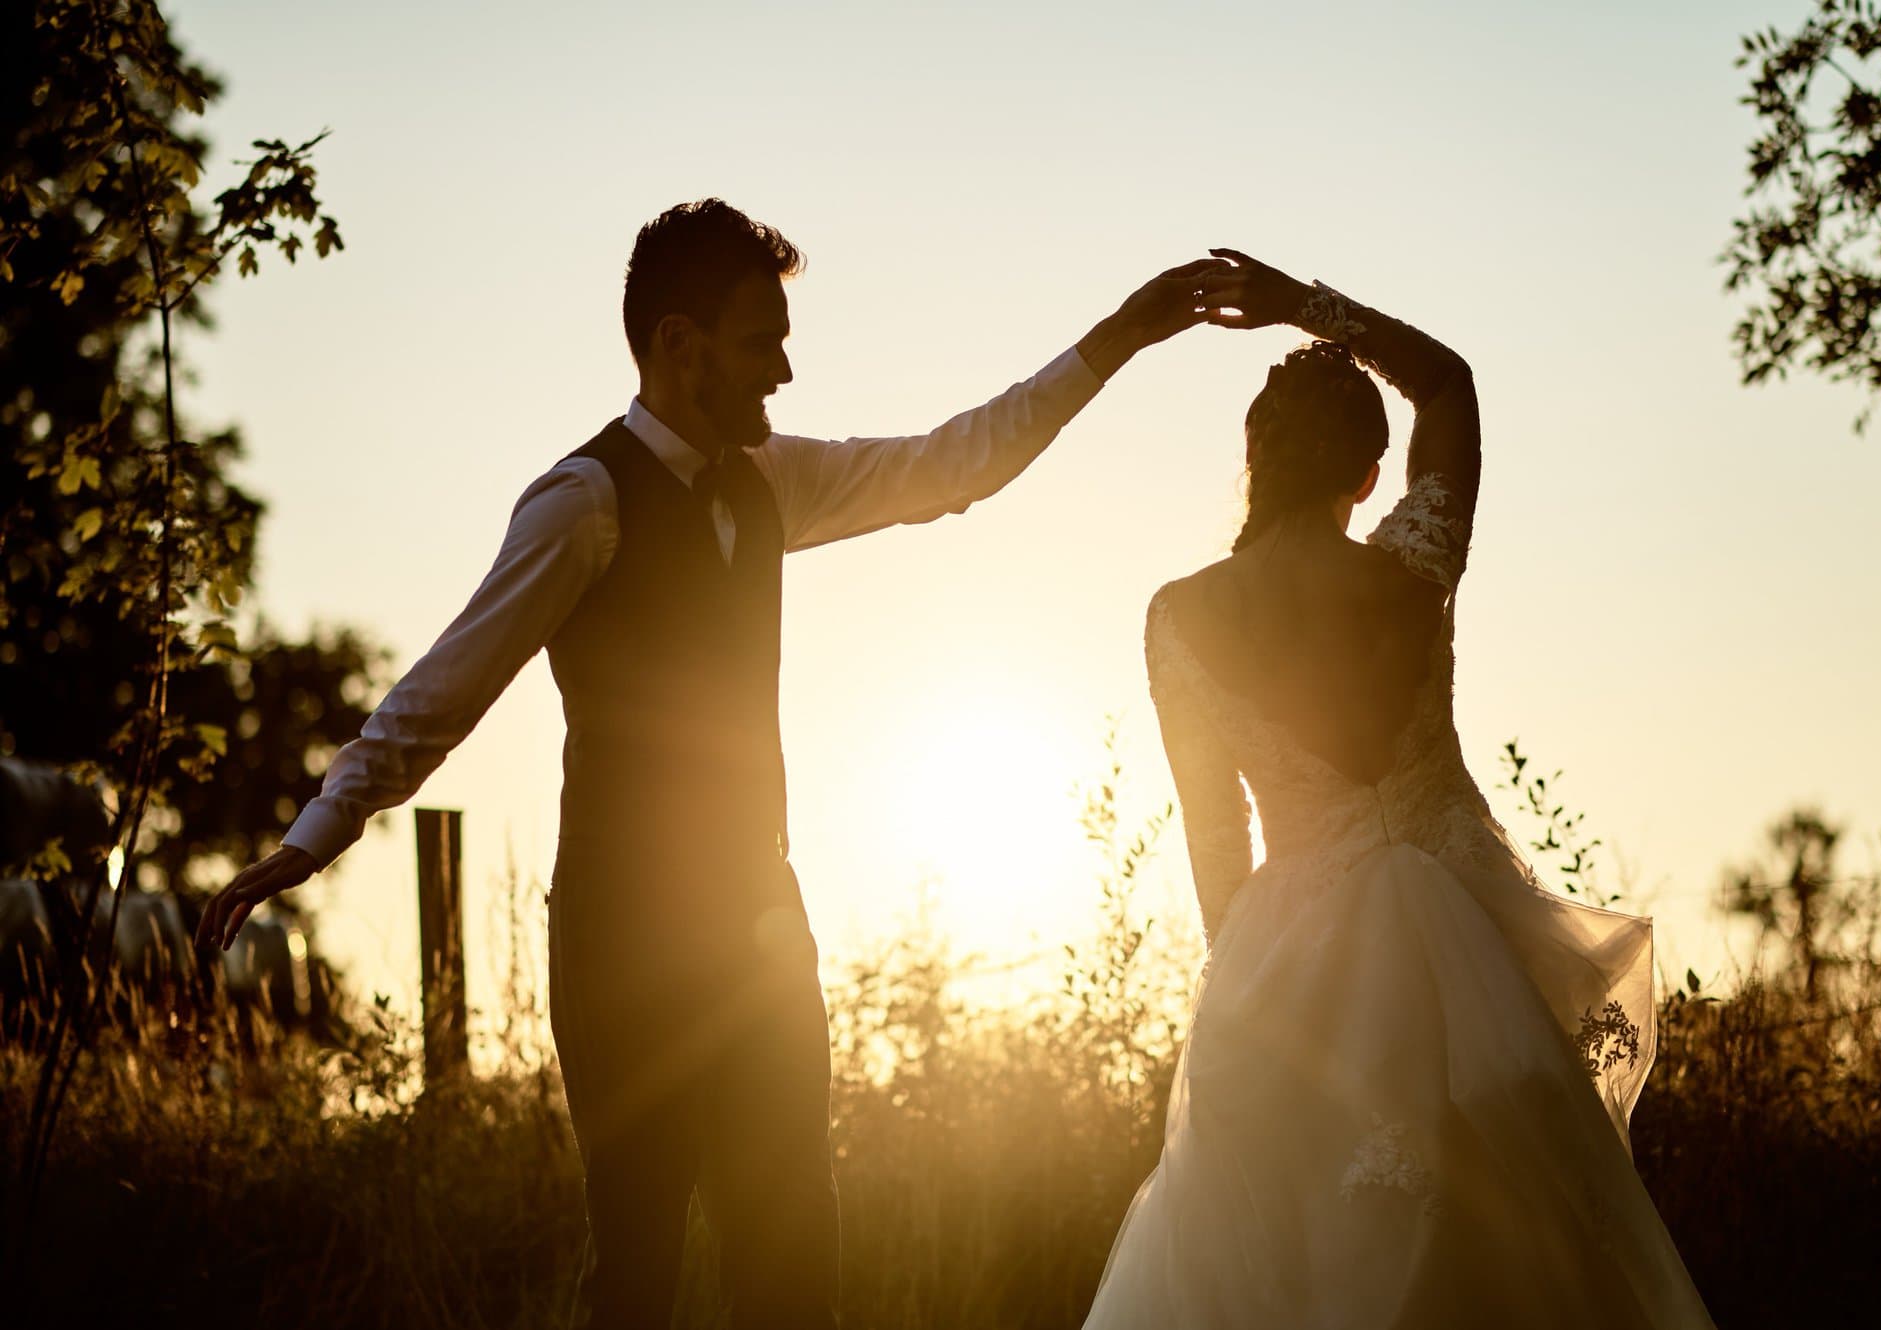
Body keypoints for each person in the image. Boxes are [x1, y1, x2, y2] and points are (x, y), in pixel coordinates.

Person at [195, 198, 1222, 1330]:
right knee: (636, 1267)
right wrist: (312, 838)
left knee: (792, 1258)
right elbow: (443, 690)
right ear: (678, 345)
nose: (784, 368)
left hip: (758, 925)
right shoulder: (582, 503)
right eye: (760, 339)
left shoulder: (772, 479)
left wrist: (1117, 337)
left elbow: (953, 462)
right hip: (619, 934)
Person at [1082, 248, 1716, 1327]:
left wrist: (1243, 996)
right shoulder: (1413, 566)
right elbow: (1448, 383)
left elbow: (1213, 840)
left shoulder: (1176, 618)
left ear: (1252, 459)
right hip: (1461, 950)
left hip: (1282, 970)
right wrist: (1303, 305)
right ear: (1369, 474)